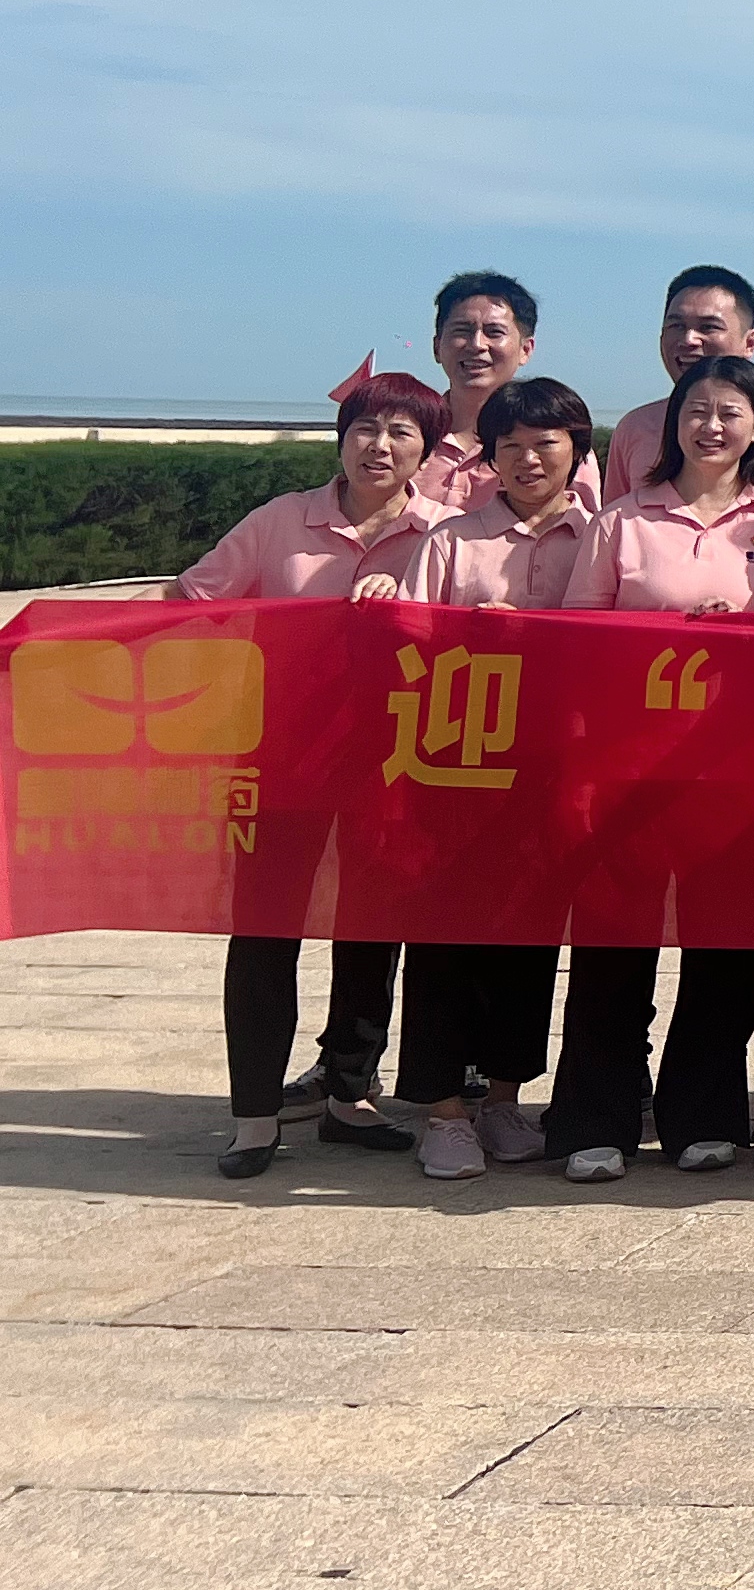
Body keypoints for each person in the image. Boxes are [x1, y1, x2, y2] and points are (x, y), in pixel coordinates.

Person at [182, 366, 444, 1178]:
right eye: (365, 428)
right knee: (264, 929)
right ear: (341, 438)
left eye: (401, 433)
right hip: (280, 757)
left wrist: (411, 605)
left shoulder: (443, 533)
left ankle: (349, 1095)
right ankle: (254, 1115)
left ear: (427, 451)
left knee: (372, 928)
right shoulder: (279, 521)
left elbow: (484, 627)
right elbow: (195, 598)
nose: (379, 446)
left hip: (393, 761)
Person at [552, 351, 754, 1183]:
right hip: (627, 767)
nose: (711, 426)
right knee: (611, 949)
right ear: (673, 422)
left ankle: (704, 1115)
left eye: (731, 412)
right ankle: (596, 1119)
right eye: (696, 410)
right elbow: (579, 645)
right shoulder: (623, 520)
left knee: (725, 951)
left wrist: (750, 634)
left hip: (735, 775)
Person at [389, 376, 593, 1178]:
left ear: (577, 452)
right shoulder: (451, 541)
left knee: (528, 940)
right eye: (510, 447)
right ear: (490, 458)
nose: (528, 460)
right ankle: (442, 1111)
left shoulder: (598, 538)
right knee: (442, 938)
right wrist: (472, 640)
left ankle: (505, 1098)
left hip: (550, 770)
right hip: (455, 769)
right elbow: (405, 647)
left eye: (545, 444)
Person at [602, 267, 754, 505]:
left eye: (708, 327)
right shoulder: (634, 428)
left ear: (750, 343)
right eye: (676, 326)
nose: (689, 340)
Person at [414, 273, 543, 514]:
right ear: (437, 347)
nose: (477, 344)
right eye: (462, 331)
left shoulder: (554, 445)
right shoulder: (404, 437)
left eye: (494, 332)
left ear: (525, 349)